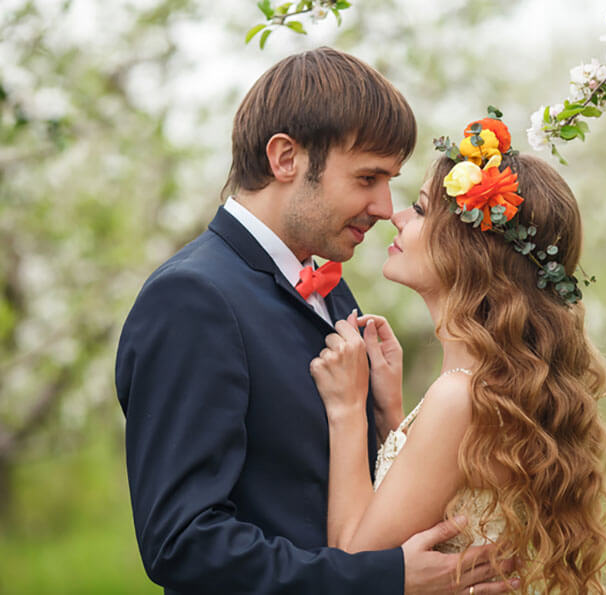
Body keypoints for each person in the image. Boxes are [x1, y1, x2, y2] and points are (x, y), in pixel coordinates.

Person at [115, 48, 514, 594]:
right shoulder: (192, 298)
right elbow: (183, 543)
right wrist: (383, 579)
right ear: (285, 159)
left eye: (391, 181)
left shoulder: (329, 287)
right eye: (368, 178)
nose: (383, 206)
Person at [309, 113, 606, 593]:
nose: (397, 215)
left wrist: (347, 408)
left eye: (422, 209)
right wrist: (391, 413)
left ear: (472, 247)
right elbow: (440, 495)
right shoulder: (489, 385)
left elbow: (355, 564)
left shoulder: (461, 396)